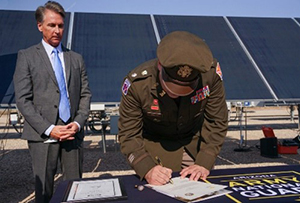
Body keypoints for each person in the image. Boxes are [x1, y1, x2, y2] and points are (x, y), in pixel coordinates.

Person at [118, 31, 228, 185]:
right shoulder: (138, 84)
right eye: (170, 88)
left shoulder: (210, 75)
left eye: (186, 89)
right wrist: (147, 168)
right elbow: (129, 134)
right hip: (157, 148)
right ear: (160, 66)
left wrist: (204, 161)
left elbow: (217, 121)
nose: (176, 94)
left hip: (194, 144)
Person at [13, 1, 91, 202]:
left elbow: (85, 95)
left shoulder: (76, 59)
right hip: (43, 136)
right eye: (51, 25)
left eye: (60, 25)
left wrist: (77, 123)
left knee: (75, 190)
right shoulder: (27, 57)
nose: (57, 30)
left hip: (72, 134)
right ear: (40, 26)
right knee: (45, 193)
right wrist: (49, 128)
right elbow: (23, 99)